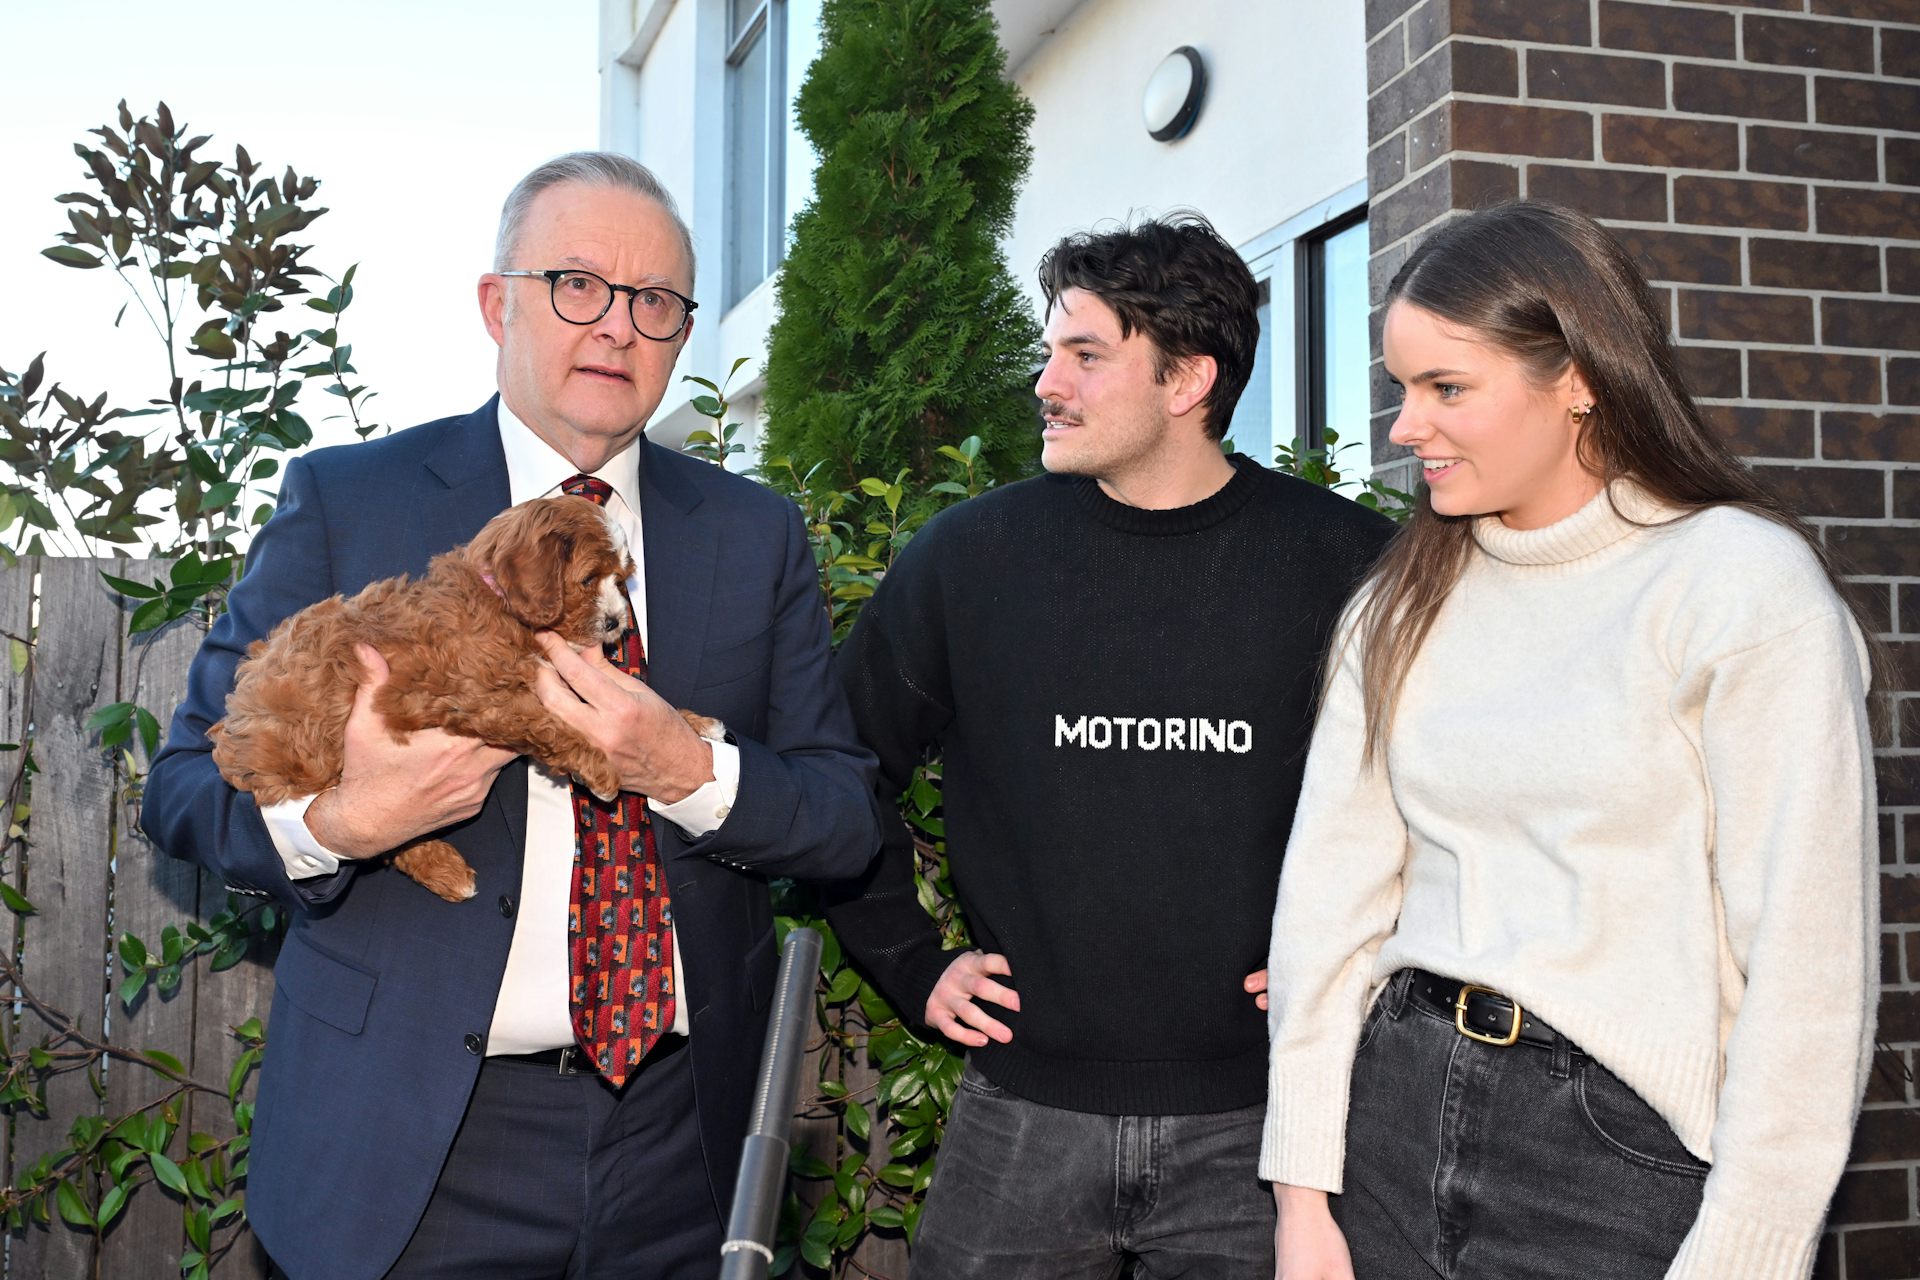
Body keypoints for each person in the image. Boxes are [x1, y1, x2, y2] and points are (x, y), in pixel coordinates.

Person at [141, 152, 881, 1280]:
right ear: (499, 305)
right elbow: (184, 789)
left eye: (655, 300)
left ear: (683, 332)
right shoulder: (348, 498)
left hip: (683, 1144)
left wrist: (689, 770)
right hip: (411, 1146)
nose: (618, 325)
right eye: (577, 284)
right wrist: (342, 821)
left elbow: (841, 816)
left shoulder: (756, 532)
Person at [1260, 200, 1878, 1280]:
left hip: (1622, 1162)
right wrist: (1302, 1197)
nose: (1404, 427)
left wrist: (1751, 1249)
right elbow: (1327, 908)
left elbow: (1809, 962)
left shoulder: (1738, 587)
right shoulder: (1399, 602)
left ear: (1580, 379)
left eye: (1447, 388)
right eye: (1401, 388)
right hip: (1392, 1122)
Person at [825, 212, 1394, 1277]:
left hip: (1269, 1124)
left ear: (1188, 380)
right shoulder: (969, 559)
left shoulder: (1349, 561)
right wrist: (907, 958)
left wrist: (1371, 960)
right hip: (1020, 1116)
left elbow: (1448, 803)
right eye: (1052, 352)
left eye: (1085, 355)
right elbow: (838, 765)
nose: (1047, 382)